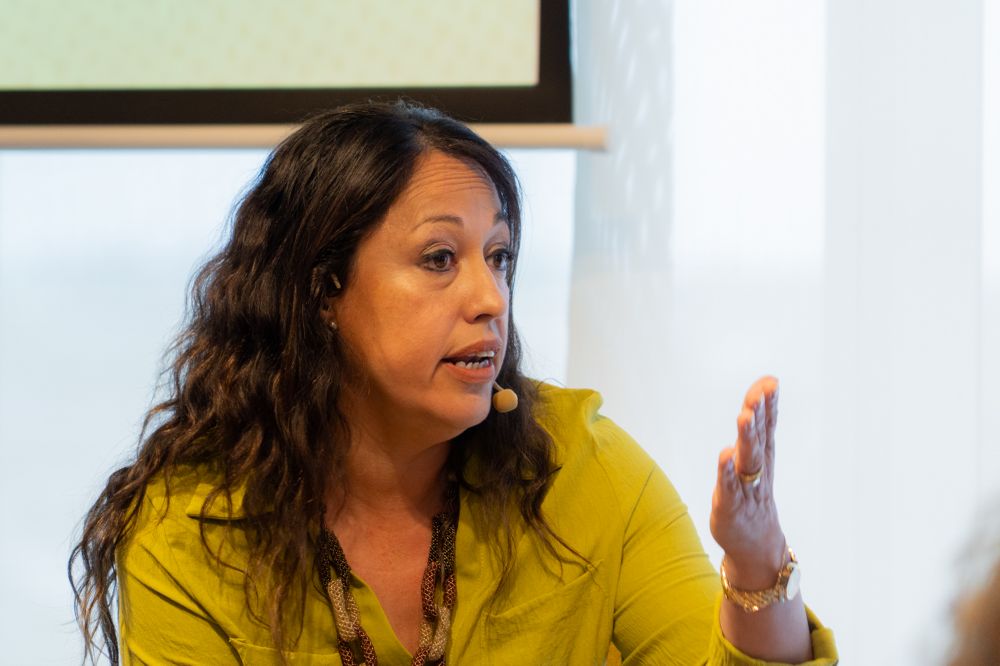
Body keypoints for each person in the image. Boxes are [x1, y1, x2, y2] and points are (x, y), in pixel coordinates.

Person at [70, 101, 838, 665]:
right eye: (440, 259)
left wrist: (756, 561)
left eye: (499, 258)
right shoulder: (191, 527)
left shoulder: (584, 468)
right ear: (323, 291)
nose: (490, 297)